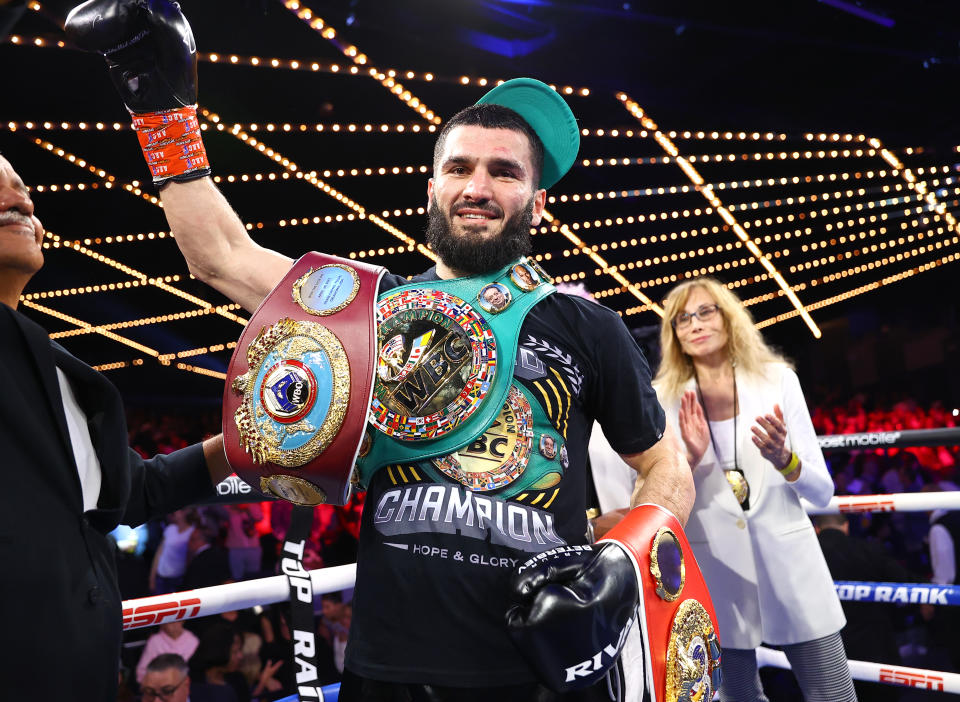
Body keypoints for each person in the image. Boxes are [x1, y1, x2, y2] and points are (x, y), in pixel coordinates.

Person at [66, 4, 709, 699]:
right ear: (432, 188)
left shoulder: (590, 325)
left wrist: (626, 552)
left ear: (537, 202)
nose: (479, 187)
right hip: (389, 668)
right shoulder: (369, 313)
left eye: (504, 172)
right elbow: (219, 256)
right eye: (460, 167)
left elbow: (665, 463)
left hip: (537, 670)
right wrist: (160, 107)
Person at [0, 153, 232, 700]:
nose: (21, 197)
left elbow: (131, 493)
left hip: (83, 669)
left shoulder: (54, 371)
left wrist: (251, 439)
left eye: (23, 187)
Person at [653, 276, 855, 702]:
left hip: (793, 568)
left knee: (833, 695)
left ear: (728, 318)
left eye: (705, 311)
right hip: (716, 573)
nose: (694, 324)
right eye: (682, 319)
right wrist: (688, 457)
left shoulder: (777, 380)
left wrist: (787, 460)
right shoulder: (664, 399)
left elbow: (822, 492)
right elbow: (658, 501)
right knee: (739, 697)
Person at [814, 512, 918, 702]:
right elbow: (903, 581)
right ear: (846, 526)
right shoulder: (868, 549)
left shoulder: (807, 557)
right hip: (876, 647)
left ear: (816, 529)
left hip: (827, 651)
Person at [150, 507, 198, 594]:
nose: (173, 513)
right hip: (161, 577)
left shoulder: (193, 531)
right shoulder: (170, 529)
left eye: (177, 510)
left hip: (178, 579)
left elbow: (191, 558)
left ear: (185, 512)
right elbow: (159, 554)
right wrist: (152, 577)